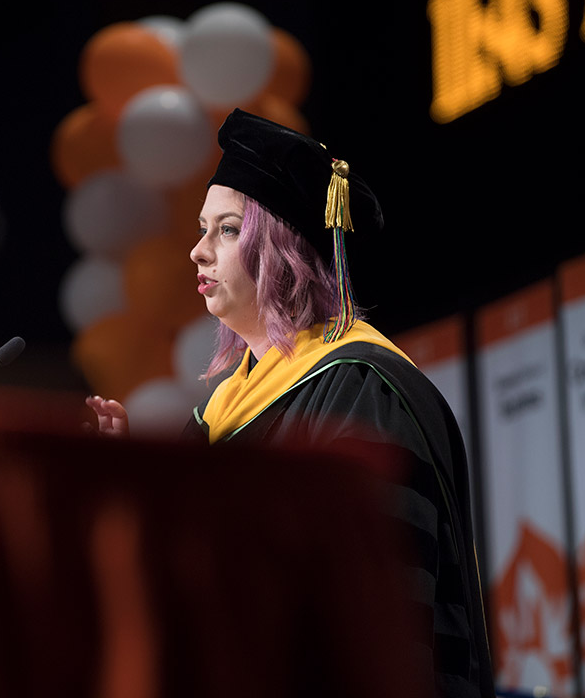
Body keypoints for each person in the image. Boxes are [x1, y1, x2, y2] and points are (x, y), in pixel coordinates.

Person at [86, 108, 495, 698]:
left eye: (226, 230)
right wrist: (131, 490)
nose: (198, 251)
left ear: (283, 249)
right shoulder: (219, 417)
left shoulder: (362, 389)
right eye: (202, 228)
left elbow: (372, 617)